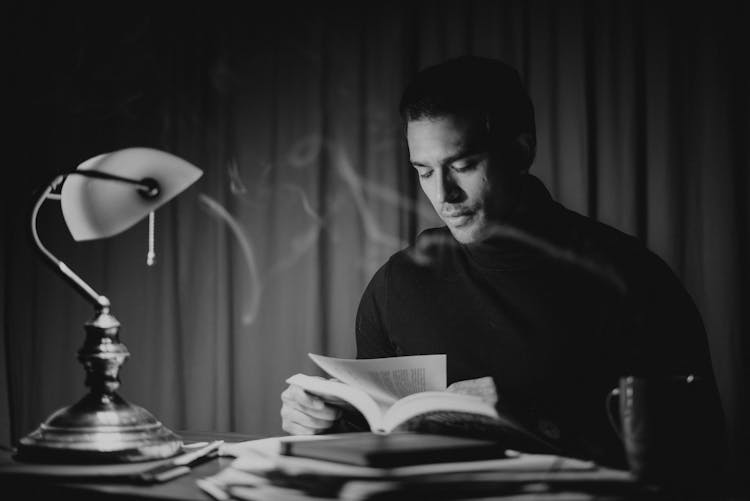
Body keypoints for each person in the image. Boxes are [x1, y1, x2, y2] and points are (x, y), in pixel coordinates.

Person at [280, 56, 725, 468]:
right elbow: (377, 435)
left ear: (521, 150)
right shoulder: (397, 283)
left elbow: (699, 453)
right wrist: (326, 423)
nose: (444, 196)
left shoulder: (631, 278)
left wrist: (537, 418)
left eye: (464, 164)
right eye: (424, 171)